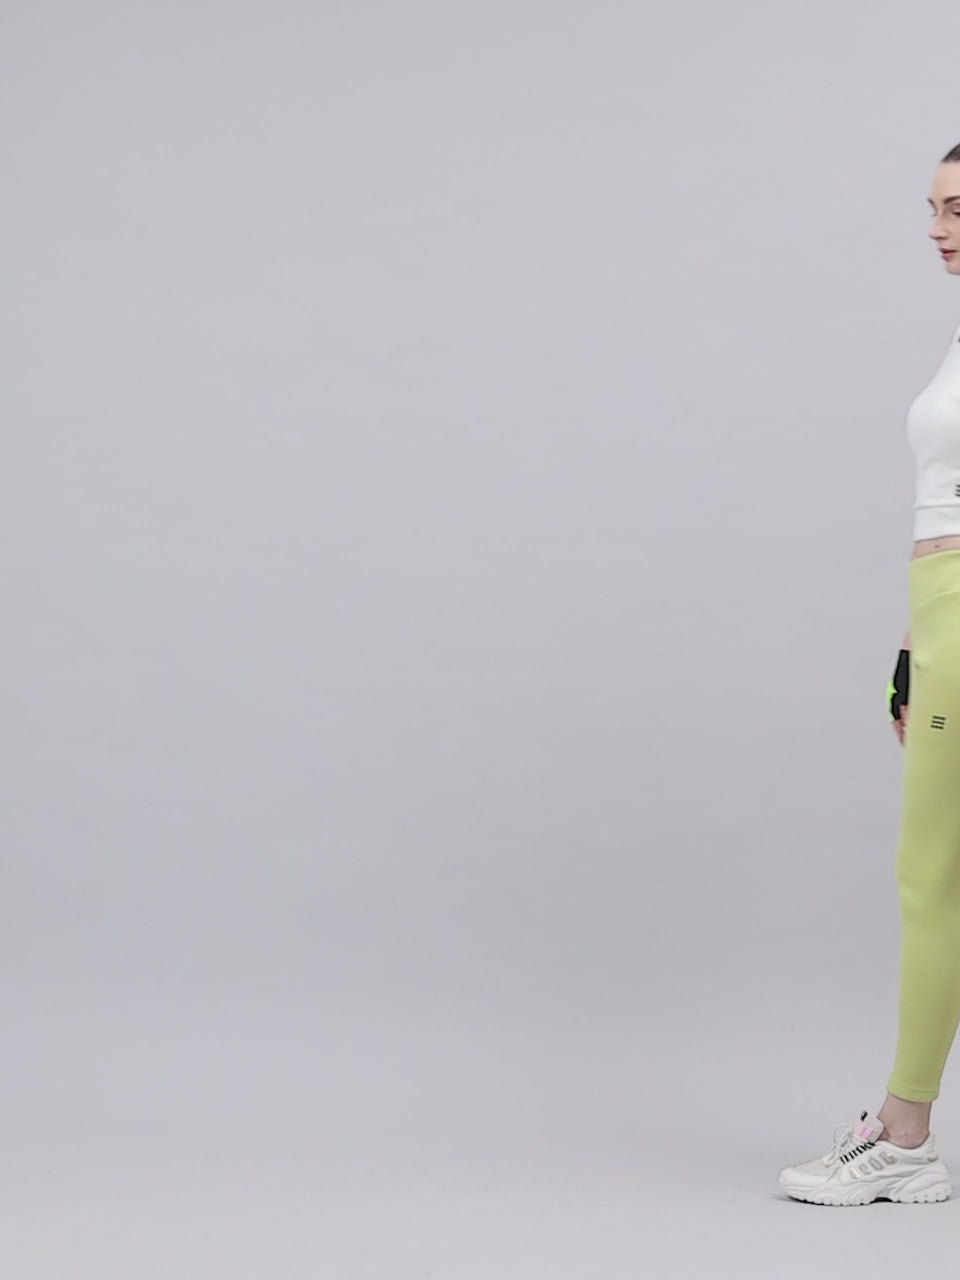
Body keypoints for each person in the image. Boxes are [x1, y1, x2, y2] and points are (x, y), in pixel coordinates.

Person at [778, 143, 960, 1207]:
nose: (938, 229)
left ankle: (902, 1134)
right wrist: (912, 647)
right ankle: (905, 1133)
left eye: (959, 208)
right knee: (934, 871)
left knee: (932, 872)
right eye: (932, 208)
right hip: (942, 612)